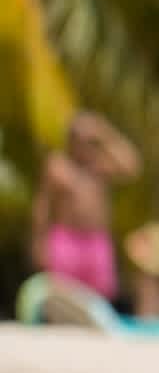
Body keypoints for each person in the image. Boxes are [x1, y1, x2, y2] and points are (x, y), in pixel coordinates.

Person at [29, 110, 139, 302]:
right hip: (65, 241)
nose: (85, 146)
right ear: (70, 140)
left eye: (90, 141)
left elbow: (132, 166)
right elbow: (42, 208)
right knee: (61, 298)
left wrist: (104, 132)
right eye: (80, 139)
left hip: (96, 242)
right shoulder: (58, 167)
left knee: (98, 300)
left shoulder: (100, 167)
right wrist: (39, 243)